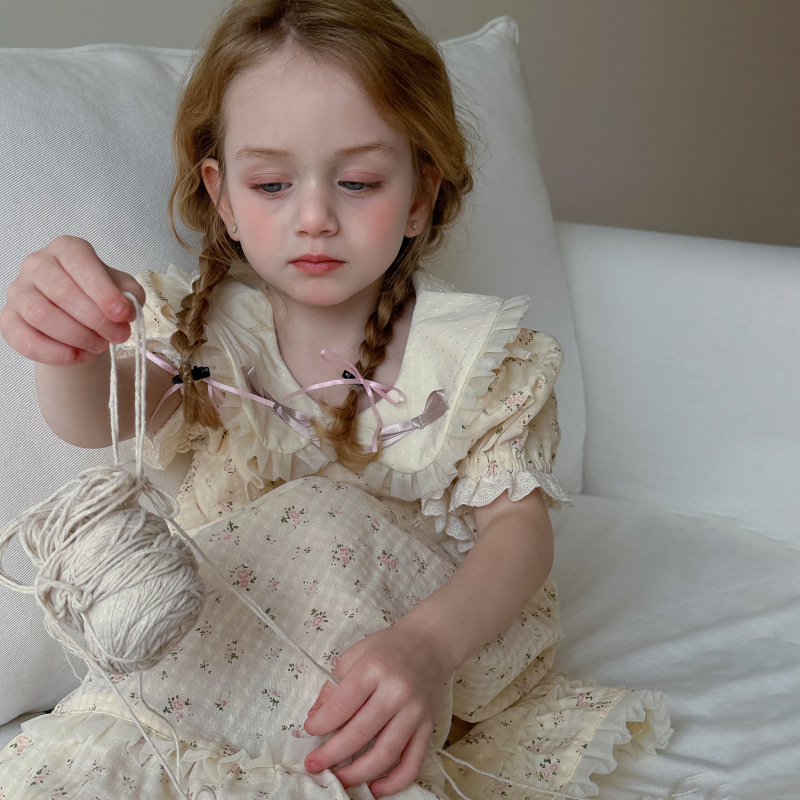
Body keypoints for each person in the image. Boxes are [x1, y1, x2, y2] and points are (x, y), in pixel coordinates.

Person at [0, 1, 672, 798]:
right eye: (271, 184)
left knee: (323, 515)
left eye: (357, 182)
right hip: (240, 643)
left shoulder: (472, 359)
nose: (315, 217)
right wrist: (70, 344)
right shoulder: (202, 332)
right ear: (223, 196)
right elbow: (93, 418)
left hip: (405, 651)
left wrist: (428, 646)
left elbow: (518, 536)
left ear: (419, 195)